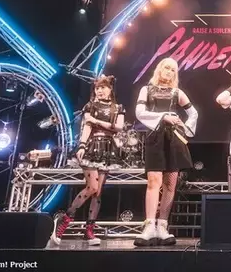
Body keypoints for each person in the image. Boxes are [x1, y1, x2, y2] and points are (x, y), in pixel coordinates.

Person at [51, 75, 125, 246]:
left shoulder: (118, 108)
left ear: (110, 89)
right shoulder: (90, 106)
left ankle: (89, 231)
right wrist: (82, 146)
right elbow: (87, 126)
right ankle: (64, 220)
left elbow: (119, 127)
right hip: (92, 147)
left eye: (103, 87)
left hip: (108, 149)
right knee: (92, 187)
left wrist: (97, 121)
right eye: (97, 88)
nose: (100, 91)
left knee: (98, 193)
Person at [133, 58, 198, 247]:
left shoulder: (177, 93)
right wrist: (163, 117)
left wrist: (185, 128)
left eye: (173, 70)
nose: (169, 72)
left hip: (174, 139)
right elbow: (139, 112)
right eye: (166, 68)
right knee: (154, 182)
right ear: (159, 69)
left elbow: (193, 113)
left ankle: (162, 226)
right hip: (155, 138)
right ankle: (149, 227)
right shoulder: (147, 90)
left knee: (170, 184)